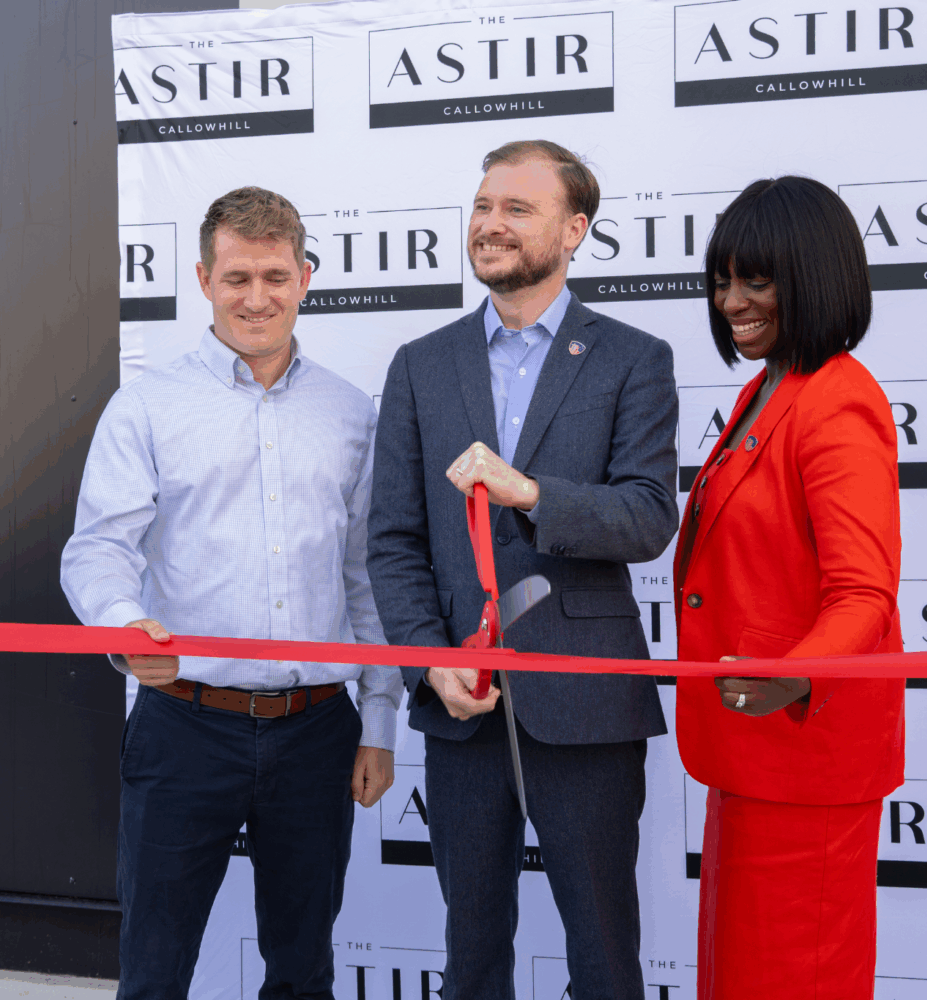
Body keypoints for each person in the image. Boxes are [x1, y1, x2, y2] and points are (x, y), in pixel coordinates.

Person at [59, 186, 403, 1000]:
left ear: (305, 278)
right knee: (154, 970)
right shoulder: (147, 406)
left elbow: (367, 575)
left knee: (303, 970)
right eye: (237, 277)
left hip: (318, 730)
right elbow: (98, 549)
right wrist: (126, 624)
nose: (257, 297)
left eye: (276, 277)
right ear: (203, 280)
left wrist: (380, 720)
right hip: (183, 726)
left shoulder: (351, 413)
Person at [367, 140, 678, 1000]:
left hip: (586, 702)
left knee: (604, 956)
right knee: (470, 958)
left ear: (574, 229)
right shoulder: (420, 364)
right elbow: (393, 539)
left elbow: (649, 515)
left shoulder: (634, 357)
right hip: (460, 707)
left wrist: (532, 493)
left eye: (517, 208)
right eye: (482, 205)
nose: (490, 224)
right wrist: (432, 661)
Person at [673, 176, 906, 1000]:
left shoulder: (838, 400)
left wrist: (794, 674)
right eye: (723, 280)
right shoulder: (765, 389)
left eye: (756, 281)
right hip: (750, 751)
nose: (731, 302)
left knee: (791, 981)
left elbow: (864, 592)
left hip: (805, 764)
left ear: (814, 277)